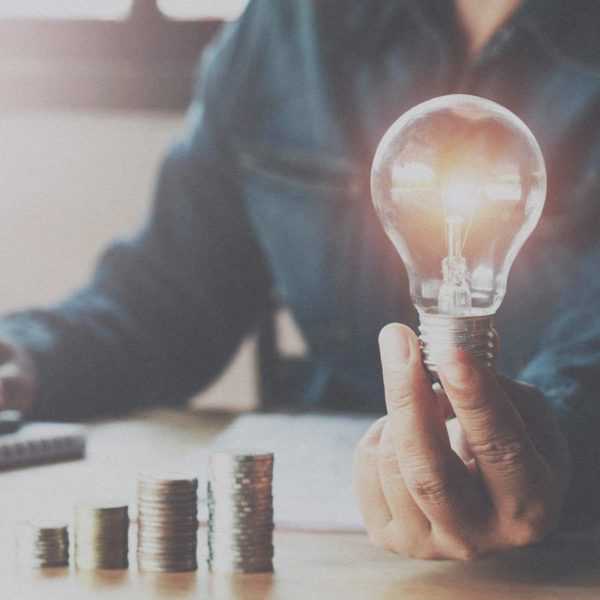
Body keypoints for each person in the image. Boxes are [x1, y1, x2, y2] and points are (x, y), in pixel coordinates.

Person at [0, 0, 599, 559]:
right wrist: (25, 360)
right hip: (316, 536)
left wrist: (543, 437)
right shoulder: (289, 28)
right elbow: (169, 301)